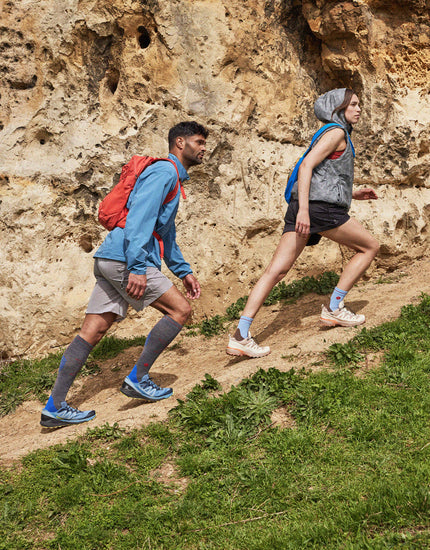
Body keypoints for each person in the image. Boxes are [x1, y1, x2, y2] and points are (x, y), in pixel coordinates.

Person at [41, 121, 209, 427]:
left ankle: (55, 406)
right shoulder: (165, 172)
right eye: (199, 142)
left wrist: (183, 271)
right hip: (125, 259)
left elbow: (164, 232)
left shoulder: (172, 178)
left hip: (109, 257)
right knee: (180, 310)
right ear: (180, 143)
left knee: (92, 331)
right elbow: (138, 222)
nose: (203, 148)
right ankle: (138, 378)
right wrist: (135, 267)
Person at [226, 88, 379, 358]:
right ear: (338, 109)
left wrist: (352, 193)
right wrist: (306, 212)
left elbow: (324, 176)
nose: (358, 109)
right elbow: (307, 166)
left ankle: (241, 333)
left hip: (303, 205)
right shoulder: (337, 132)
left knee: (276, 271)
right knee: (369, 247)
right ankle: (334, 308)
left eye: (359, 105)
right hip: (318, 210)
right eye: (353, 105)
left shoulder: (331, 133)